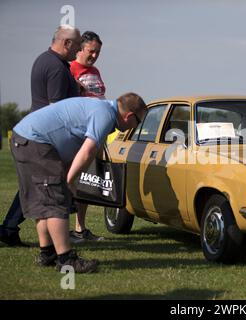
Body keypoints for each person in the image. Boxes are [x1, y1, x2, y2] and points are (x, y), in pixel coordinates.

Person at [10, 93, 146, 272]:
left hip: (25, 139)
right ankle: (66, 259)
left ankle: (47, 253)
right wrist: (70, 180)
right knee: (55, 202)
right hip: (35, 141)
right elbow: (88, 150)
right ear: (129, 116)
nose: (135, 127)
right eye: (138, 122)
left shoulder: (101, 109)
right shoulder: (105, 114)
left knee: (45, 202)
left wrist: (68, 176)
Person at [0, 25, 81, 247]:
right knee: (46, 188)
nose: (79, 50)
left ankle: (9, 228)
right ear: (66, 43)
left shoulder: (44, 60)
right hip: (46, 139)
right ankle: (13, 230)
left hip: (35, 135)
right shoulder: (56, 67)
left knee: (34, 186)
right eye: (77, 45)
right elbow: (57, 111)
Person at [69, 31, 106, 243]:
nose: (94, 56)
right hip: (78, 135)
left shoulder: (95, 71)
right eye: (92, 51)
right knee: (71, 181)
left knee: (87, 181)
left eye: (98, 52)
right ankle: (60, 231)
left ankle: (80, 229)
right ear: (80, 48)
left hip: (95, 133)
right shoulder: (70, 69)